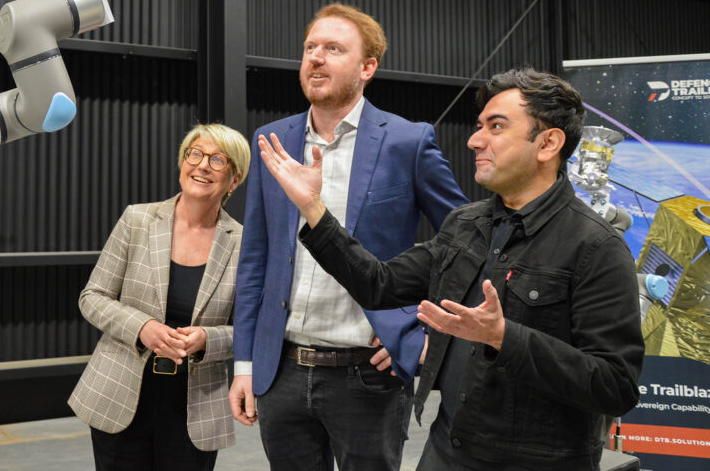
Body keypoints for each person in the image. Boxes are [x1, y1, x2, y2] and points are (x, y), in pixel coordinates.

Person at [257, 67, 644, 470]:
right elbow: (378, 285)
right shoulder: (466, 225)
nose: (475, 140)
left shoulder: (596, 246)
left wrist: (504, 337)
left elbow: (614, 385)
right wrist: (314, 210)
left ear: (548, 143)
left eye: (496, 127)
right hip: (447, 450)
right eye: (479, 126)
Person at [230, 3, 468, 471]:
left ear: (367, 67)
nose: (315, 58)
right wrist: (244, 363)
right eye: (310, 48)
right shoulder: (272, 142)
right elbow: (256, 258)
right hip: (282, 370)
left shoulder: (407, 141)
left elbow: (468, 243)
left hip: (368, 372)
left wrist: (424, 332)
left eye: (333, 49)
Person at [70, 123, 251, 471]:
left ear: (235, 179)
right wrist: (143, 327)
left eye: (217, 160)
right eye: (194, 153)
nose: (201, 165)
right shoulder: (137, 219)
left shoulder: (244, 244)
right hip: (119, 394)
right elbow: (92, 296)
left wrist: (207, 339)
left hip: (193, 407)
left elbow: (249, 327)